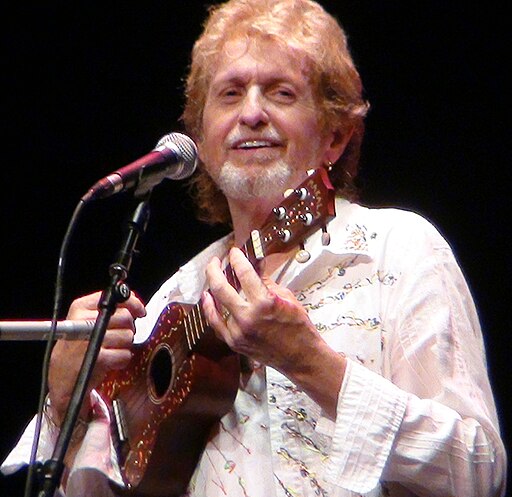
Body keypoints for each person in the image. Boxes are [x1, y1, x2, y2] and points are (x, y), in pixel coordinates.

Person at [1, 0, 507, 496]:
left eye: (282, 93)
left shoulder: (397, 249)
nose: (251, 114)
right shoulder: (178, 296)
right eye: (230, 94)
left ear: (334, 136)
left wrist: (310, 362)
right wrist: (64, 403)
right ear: (201, 137)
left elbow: (477, 473)